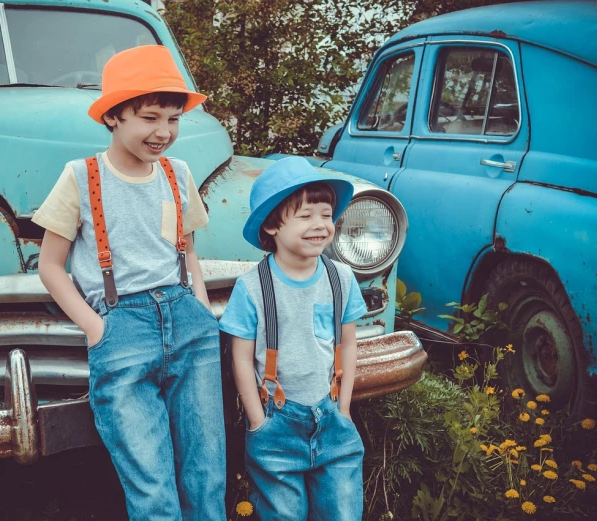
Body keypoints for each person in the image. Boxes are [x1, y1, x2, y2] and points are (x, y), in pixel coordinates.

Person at [32, 45, 226, 521]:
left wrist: (200, 308)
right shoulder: (82, 176)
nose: (163, 132)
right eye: (149, 117)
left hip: (189, 323)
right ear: (114, 116)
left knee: (207, 472)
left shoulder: (177, 174)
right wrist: (96, 329)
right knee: (149, 477)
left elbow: (189, 251)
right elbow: (50, 265)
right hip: (121, 329)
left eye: (174, 119)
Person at [219, 157, 367, 521]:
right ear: (272, 225)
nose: (319, 225)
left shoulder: (341, 279)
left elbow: (348, 344)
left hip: (332, 417)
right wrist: (257, 421)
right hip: (277, 425)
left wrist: (345, 409)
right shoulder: (253, 288)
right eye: (305, 216)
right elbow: (240, 358)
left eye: (326, 214)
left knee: (343, 513)